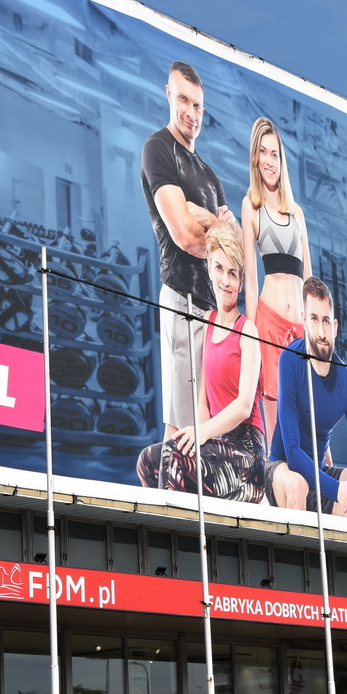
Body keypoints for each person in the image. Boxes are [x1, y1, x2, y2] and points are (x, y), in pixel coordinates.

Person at [135, 223, 273, 503]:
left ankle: (174, 528)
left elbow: (244, 406)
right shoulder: (207, 322)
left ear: (241, 281)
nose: (225, 281)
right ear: (209, 269)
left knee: (174, 456)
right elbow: (202, 400)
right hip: (216, 444)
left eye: (233, 273)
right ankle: (164, 522)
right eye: (219, 268)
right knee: (149, 460)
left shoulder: (247, 331)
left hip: (247, 455)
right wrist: (199, 441)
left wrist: (201, 434)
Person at [140, 61, 238, 439]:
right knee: (180, 427)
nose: (191, 113)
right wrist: (217, 229)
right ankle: (163, 479)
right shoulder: (158, 149)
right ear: (169, 95)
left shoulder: (209, 176)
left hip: (213, 312)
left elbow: (233, 251)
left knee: (208, 428)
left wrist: (208, 220)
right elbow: (185, 236)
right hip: (183, 300)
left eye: (197, 105)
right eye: (183, 100)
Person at [268, 278, 347, 522]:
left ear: (335, 326)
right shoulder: (290, 360)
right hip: (282, 470)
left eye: (325, 321)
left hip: (319, 477)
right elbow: (292, 452)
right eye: (314, 319)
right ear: (304, 322)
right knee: (298, 484)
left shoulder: (344, 379)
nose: (321, 333)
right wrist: (337, 490)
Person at [239, 117, 312, 444]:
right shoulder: (251, 207)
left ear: (282, 160)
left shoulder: (297, 212)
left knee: (311, 418)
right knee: (276, 428)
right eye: (263, 152)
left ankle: (322, 474)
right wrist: (251, 336)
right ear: (255, 158)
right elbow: (252, 282)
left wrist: (314, 326)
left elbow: (309, 278)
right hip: (268, 325)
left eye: (275, 154)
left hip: (300, 327)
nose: (269, 161)